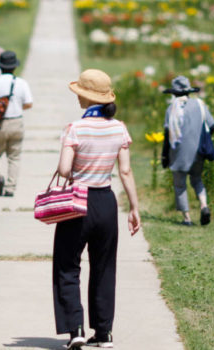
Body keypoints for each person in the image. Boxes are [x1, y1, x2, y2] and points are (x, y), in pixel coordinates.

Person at [53, 69, 141, 350]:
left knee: (68, 266)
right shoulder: (119, 127)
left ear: (84, 96)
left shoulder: (75, 128)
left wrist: (74, 169)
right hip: (106, 202)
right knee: (103, 267)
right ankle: (103, 333)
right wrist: (134, 208)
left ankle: (75, 329)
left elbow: (65, 169)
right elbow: (125, 172)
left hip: (77, 201)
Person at [160, 76, 214, 226]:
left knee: (180, 184)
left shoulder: (171, 108)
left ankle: (187, 218)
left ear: (174, 93)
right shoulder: (199, 104)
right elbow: (212, 125)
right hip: (198, 150)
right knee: (197, 179)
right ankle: (204, 205)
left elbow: (167, 134)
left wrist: (164, 156)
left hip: (178, 152)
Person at [0, 50, 33, 196]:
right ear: (14, 67)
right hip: (17, 122)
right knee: (14, 157)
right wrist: (16, 107)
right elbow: (29, 104)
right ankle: (10, 188)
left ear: (0, 66)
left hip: (0, 125)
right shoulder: (22, 83)